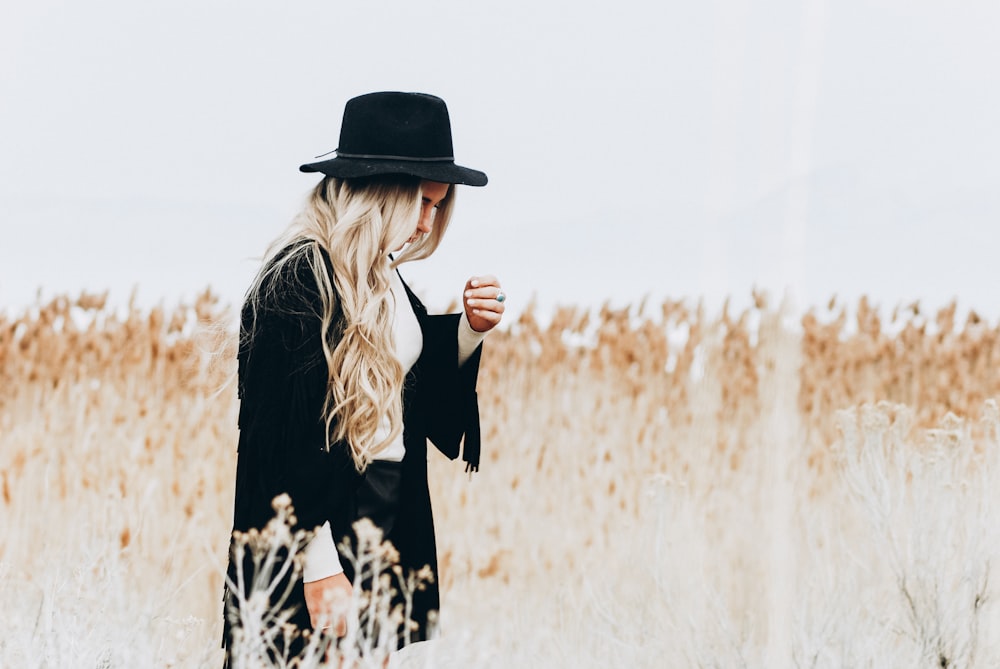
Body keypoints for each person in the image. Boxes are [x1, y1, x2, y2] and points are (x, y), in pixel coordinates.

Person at [222, 91, 504, 664]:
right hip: (319, 530)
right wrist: (320, 564)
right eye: (421, 202)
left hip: (386, 518)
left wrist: (469, 331)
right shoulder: (300, 278)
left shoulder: (379, 276)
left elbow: (411, 384)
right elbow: (275, 444)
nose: (427, 225)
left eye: (438, 206)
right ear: (380, 192)